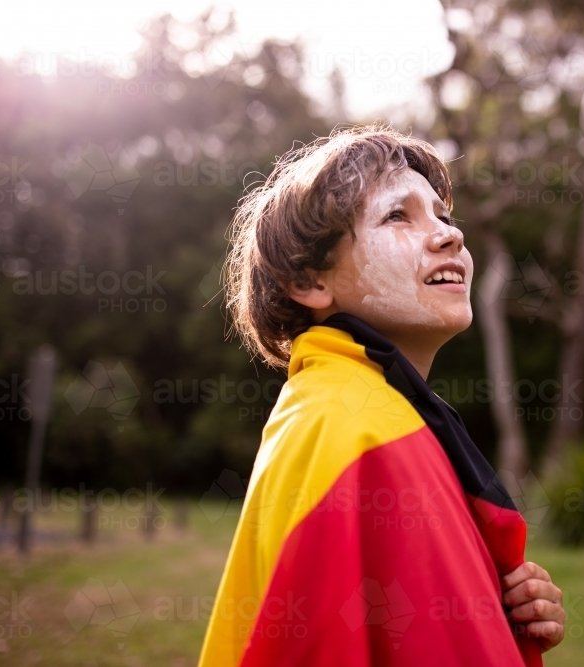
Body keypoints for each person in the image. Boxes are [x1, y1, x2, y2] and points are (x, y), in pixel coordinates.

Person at [198, 125, 564, 667]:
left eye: (444, 215)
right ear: (310, 281)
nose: (449, 236)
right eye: (399, 216)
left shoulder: (394, 414)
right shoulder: (339, 425)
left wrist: (495, 611)